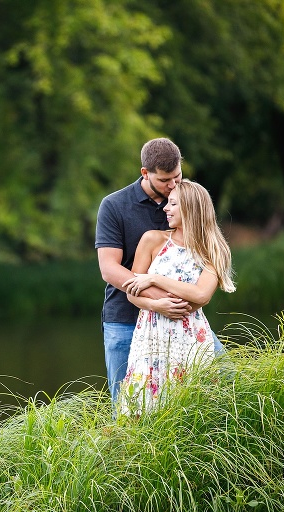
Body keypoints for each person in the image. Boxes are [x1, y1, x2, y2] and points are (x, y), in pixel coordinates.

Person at [118, 179, 235, 414]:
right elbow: (132, 293)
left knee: (192, 406)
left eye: (172, 204)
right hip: (151, 335)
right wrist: (156, 305)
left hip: (191, 335)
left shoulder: (213, 249)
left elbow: (201, 295)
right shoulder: (153, 240)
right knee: (142, 405)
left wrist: (154, 279)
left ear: (190, 209)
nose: (165, 209)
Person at [95, 138, 191, 405]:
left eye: (177, 176)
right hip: (125, 319)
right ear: (145, 173)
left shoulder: (188, 200)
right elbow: (109, 269)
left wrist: (175, 302)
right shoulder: (114, 206)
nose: (173, 185)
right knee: (127, 405)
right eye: (164, 180)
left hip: (179, 317)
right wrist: (159, 299)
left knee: (220, 380)